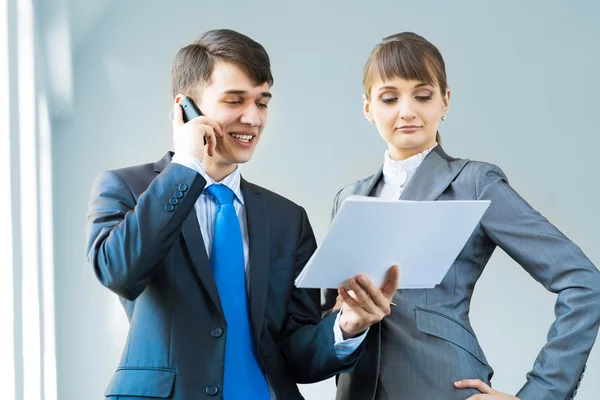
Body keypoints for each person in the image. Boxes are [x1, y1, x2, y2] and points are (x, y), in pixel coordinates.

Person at [85, 29, 398, 400]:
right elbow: (118, 270)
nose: (253, 118)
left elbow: (295, 354)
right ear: (186, 107)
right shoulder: (127, 188)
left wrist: (347, 325)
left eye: (262, 103)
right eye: (235, 101)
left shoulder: (287, 219)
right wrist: (186, 165)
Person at [322, 32, 600, 400]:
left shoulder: (474, 182)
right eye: (389, 98)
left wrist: (542, 394)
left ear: (445, 102)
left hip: (444, 386)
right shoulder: (349, 199)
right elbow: (327, 322)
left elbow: (584, 283)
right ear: (368, 108)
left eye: (422, 96)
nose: (407, 111)